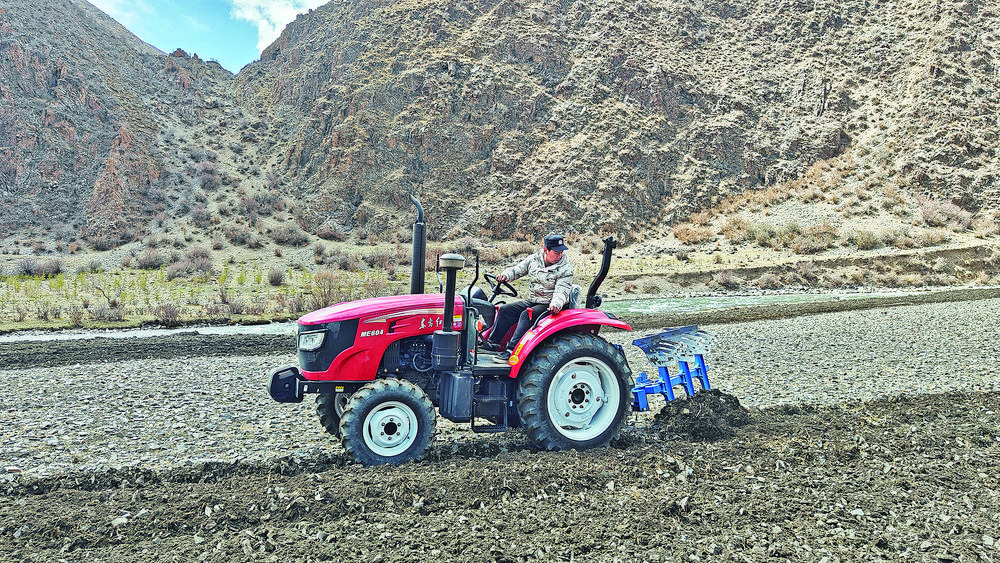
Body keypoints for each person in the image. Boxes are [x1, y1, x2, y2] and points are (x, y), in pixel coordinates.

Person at [485, 233, 574, 361]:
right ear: (546, 250)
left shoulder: (565, 269)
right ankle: (492, 344)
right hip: (534, 300)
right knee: (505, 310)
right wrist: (506, 275)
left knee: (527, 315)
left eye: (561, 252)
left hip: (550, 305)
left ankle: (511, 351)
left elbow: (562, 290)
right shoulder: (534, 260)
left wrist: (556, 304)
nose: (559, 256)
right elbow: (517, 269)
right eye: (556, 253)